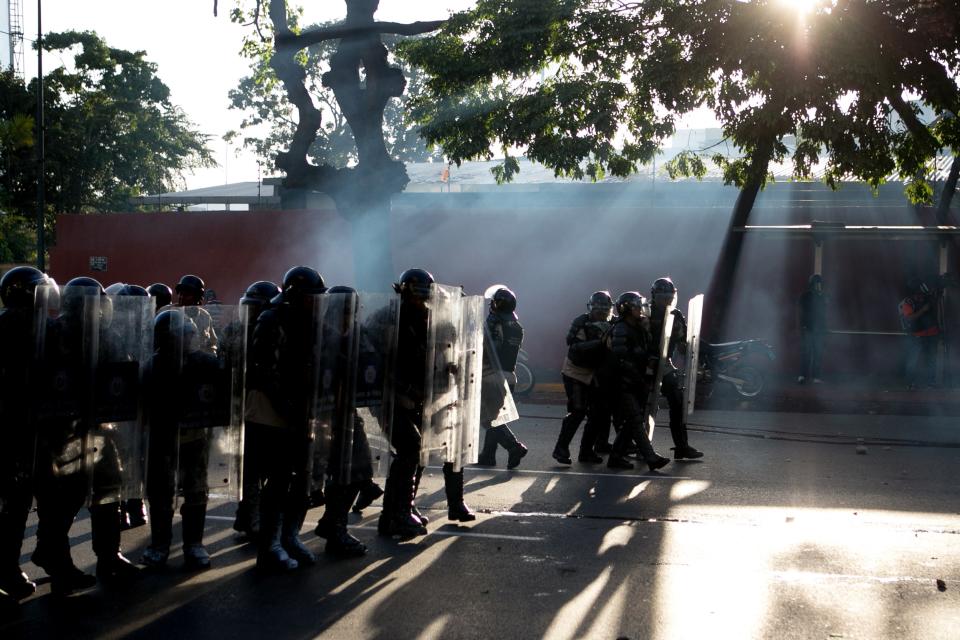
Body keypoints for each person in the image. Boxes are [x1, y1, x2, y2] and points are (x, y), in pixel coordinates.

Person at [250, 266, 327, 571]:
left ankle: (290, 536)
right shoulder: (271, 319)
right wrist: (289, 409)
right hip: (273, 411)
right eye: (310, 297)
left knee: (302, 478)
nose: (316, 302)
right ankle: (269, 545)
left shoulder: (311, 321)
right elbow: (263, 371)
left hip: (301, 409)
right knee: (278, 480)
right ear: (295, 295)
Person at [141, 308, 222, 571]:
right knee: (161, 495)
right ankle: (159, 544)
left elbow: (224, 384)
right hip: (162, 440)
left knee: (197, 492)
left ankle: (194, 544)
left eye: (189, 334)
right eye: (182, 335)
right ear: (167, 338)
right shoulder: (152, 367)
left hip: (195, 439)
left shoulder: (204, 363)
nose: (188, 339)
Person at [0, 267, 54, 601]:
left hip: (29, 427)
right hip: (10, 428)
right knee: (12, 505)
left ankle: (8, 567)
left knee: (18, 505)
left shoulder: (37, 326)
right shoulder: (10, 326)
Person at [227, 281, 281, 540]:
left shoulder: (272, 328)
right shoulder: (235, 331)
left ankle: (248, 515)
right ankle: (250, 515)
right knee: (250, 466)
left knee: (260, 464)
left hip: (260, 402)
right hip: (243, 404)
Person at [604, 291, 671, 471]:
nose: (641, 309)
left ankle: (615, 457)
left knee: (632, 421)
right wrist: (637, 378)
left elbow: (645, 350)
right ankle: (651, 457)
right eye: (636, 307)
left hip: (634, 381)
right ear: (627, 309)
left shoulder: (637, 327)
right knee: (634, 419)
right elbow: (621, 359)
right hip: (621, 383)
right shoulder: (620, 329)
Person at [552, 291, 614, 465]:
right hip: (576, 371)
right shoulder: (581, 322)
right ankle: (561, 448)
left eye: (604, 309)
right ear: (590, 308)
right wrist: (599, 342)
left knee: (598, 413)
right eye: (597, 308)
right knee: (578, 411)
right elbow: (574, 346)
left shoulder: (613, 324)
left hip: (596, 373)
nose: (601, 312)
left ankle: (586, 451)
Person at [648, 278, 703, 460]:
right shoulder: (645, 314)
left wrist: (691, 349)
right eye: (663, 296)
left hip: (665, 365)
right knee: (642, 408)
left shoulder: (675, 315)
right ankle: (638, 447)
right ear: (655, 296)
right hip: (645, 365)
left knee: (678, 404)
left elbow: (683, 342)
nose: (667, 300)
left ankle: (682, 446)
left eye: (669, 296)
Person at [476, 286, 528, 469]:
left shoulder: (494, 324)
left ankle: (514, 447)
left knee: (487, 419)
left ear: (497, 305)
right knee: (495, 417)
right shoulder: (517, 327)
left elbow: (486, 349)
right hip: (509, 375)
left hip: (491, 375)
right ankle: (488, 456)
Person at [900, 278, 941, 389]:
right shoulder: (908, 302)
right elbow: (909, 318)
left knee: (931, 359)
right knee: (913, 360)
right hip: (916, 335)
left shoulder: (928, 298)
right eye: (919, 293)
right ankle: (910, 384)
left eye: (922, 293)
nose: (921, 296)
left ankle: (931, 383)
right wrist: (923, 310)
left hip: (932, 333)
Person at [798, 274, 827, 384]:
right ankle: (805, 376)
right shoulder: (806, 296)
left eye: (819, 284)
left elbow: (823, 314)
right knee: (809, 353)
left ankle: (809, 377)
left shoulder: (819, 297)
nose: (818, 286)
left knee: (814, 353)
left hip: (815, 329)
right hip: (810, 328)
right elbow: (802, 312)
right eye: (817, 283)